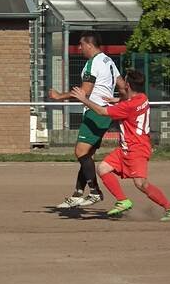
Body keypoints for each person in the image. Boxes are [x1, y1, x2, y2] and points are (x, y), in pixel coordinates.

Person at [70, 70, 170, 222]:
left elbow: (102, 111)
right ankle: (122, 200)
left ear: (128, 85)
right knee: (103, 168)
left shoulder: (127, 106)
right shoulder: (142, 98)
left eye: (124, 82)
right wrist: (117, 100)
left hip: (137, 149)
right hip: (126, 148)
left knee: (141, 184)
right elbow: (129, 102)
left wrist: (84, 99)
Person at [48, 31, 126, 209]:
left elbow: (85, 92)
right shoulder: (109, 61)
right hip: (105, 113)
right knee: (87, 155)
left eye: (81, 45)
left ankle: (95, 191)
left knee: (80, 152)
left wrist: (59, 96)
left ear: (89, 45)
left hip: (95, 113)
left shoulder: (93, 63)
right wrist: (118, 101)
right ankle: (77, 193)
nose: (79, 48)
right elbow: (122, 87)